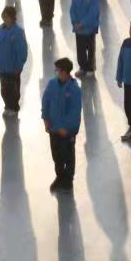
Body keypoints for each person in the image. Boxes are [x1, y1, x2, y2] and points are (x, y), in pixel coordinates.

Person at [42, 57, 83, 191]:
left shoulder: (74, 90)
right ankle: (59, 176)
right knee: (56, 155)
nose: (56, 73)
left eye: (58, 70)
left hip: (66, 131)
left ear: (65, 72)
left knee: (68, 155)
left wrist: (66, 128)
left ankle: (68, 180)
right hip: (53, 129)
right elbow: (46, 102)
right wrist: (46, 119)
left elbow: (74, 112)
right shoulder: (52, 84)